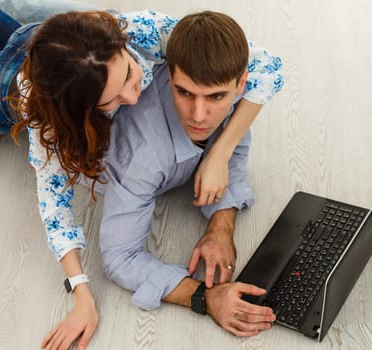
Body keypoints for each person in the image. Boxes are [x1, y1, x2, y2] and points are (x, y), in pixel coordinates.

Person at [0, 4, 283, 350]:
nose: (133, 97)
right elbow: (57, 210)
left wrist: (220, 206)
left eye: (131, 75)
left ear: (123, 45)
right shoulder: (55, 118)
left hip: (51, 38)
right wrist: (82, 293)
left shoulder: (144, 31)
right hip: (13, 85)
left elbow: (267, 67)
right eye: (113, 99)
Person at [97, 10, 279, 339]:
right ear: (168, 74)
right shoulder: (141, 159)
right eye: (184, 93)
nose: (199, 115)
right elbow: (120, 257)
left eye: (216, 97)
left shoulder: (236, 100)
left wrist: (221, 226)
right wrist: (203, 296)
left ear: (241, 85)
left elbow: (233, 152)